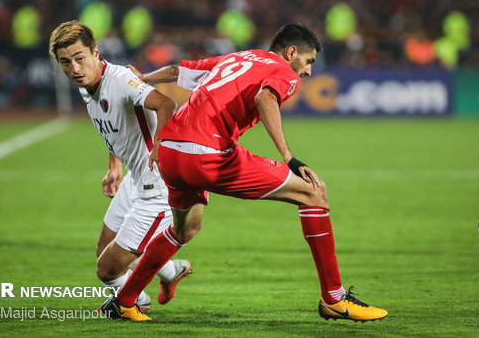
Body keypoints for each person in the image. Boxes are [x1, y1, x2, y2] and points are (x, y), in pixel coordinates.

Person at [102, 22, 388, 322]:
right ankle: (335, 299)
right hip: (206, 154)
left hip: (170, 152)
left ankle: (124, 301)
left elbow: (177, 71)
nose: (308, 71)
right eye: (308, 61)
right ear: (292, 52)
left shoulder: (240, 57)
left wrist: (144, 77)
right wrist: (289, 157)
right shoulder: (284, 72)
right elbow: (265, 98)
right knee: (313, 192)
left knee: (184, 229)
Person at [49, 21, 192, 321]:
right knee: (104, 250)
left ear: (95, 52)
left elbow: (166, 104)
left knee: (107, 270)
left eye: (79, 58)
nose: (74, 68)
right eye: (65, 62)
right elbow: (112, 128)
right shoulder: (87, 84)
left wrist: (160, 147)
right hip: (133, 179)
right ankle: (170, 272)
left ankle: (135, 299)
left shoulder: (121, 80)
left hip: (158, 186)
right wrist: (114, 165)